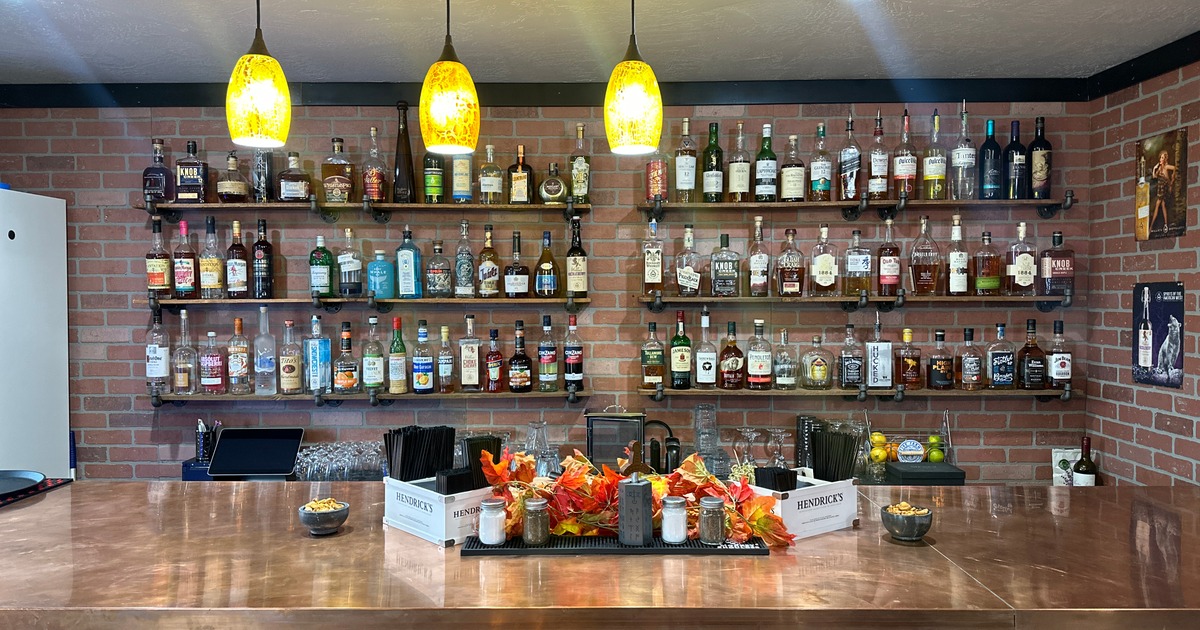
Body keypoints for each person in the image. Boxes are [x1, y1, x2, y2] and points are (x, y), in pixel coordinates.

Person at [1149, 149, 1177, 233]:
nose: (1160, 159)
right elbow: (1154, 176)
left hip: (1164, 189)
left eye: (1162, 158)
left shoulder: (1166, 167)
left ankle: (1151, 227)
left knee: (1157, 205)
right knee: (1163, 206)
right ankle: (1166, 225)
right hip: (1160, 189)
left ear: (1165, 159)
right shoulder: (1159, 168)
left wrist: (1172, 179)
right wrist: (1154, 168)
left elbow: (1175, 168)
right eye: (1160, 157)